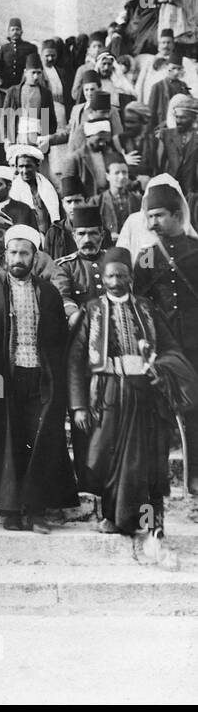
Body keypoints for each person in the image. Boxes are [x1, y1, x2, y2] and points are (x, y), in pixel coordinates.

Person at [70, 248, 198, 554]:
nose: (117, 281)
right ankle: (114, 518)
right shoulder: (91, 310)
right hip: (108, 393)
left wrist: (162, 370)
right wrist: (78, 405)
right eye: (111, 275)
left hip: (145, 394)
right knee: (110, 457)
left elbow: (170, 348)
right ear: (102, 277)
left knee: (148, 460)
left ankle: (151, 521)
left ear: (130, 277)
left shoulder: (147, 308)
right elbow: (75, 360)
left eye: (123, 275)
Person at [0, 224, 78, 532]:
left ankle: (36, 508)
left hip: (38, 377)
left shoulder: (48, 292)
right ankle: (9, 509)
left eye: (25, 253)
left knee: (38, 439)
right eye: (13, 252)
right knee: (4, 437)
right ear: (6, 254)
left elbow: (59, 341)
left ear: (35, 257)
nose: (18, 258)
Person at [133, 182, 198, 496]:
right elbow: (137, 300)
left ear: (177, 215)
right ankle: (155, 483)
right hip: (162, 344)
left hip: (195, 343)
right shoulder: (146, 257)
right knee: (158, 411)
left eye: (158, 215)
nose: (152, 222)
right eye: (149, 216)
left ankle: (195, 478)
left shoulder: (196, 251)